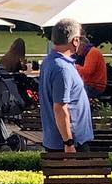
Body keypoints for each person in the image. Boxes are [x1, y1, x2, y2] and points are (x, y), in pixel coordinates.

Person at [38, 19, 94, 153]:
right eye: (80, 38)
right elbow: (60, 108)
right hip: (69, 143)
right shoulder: (62, 69)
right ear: (75, 40)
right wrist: (68, 143)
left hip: (58, 140)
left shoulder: (49, 61)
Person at [76, 35, 108, 100]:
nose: (75, 50)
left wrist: (75, 66)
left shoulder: (92, 53)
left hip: (94, 87)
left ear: (81, 45)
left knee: (71, 92)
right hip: (93, 85)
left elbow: (87, 71)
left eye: (76, 46)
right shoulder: (91, 52)